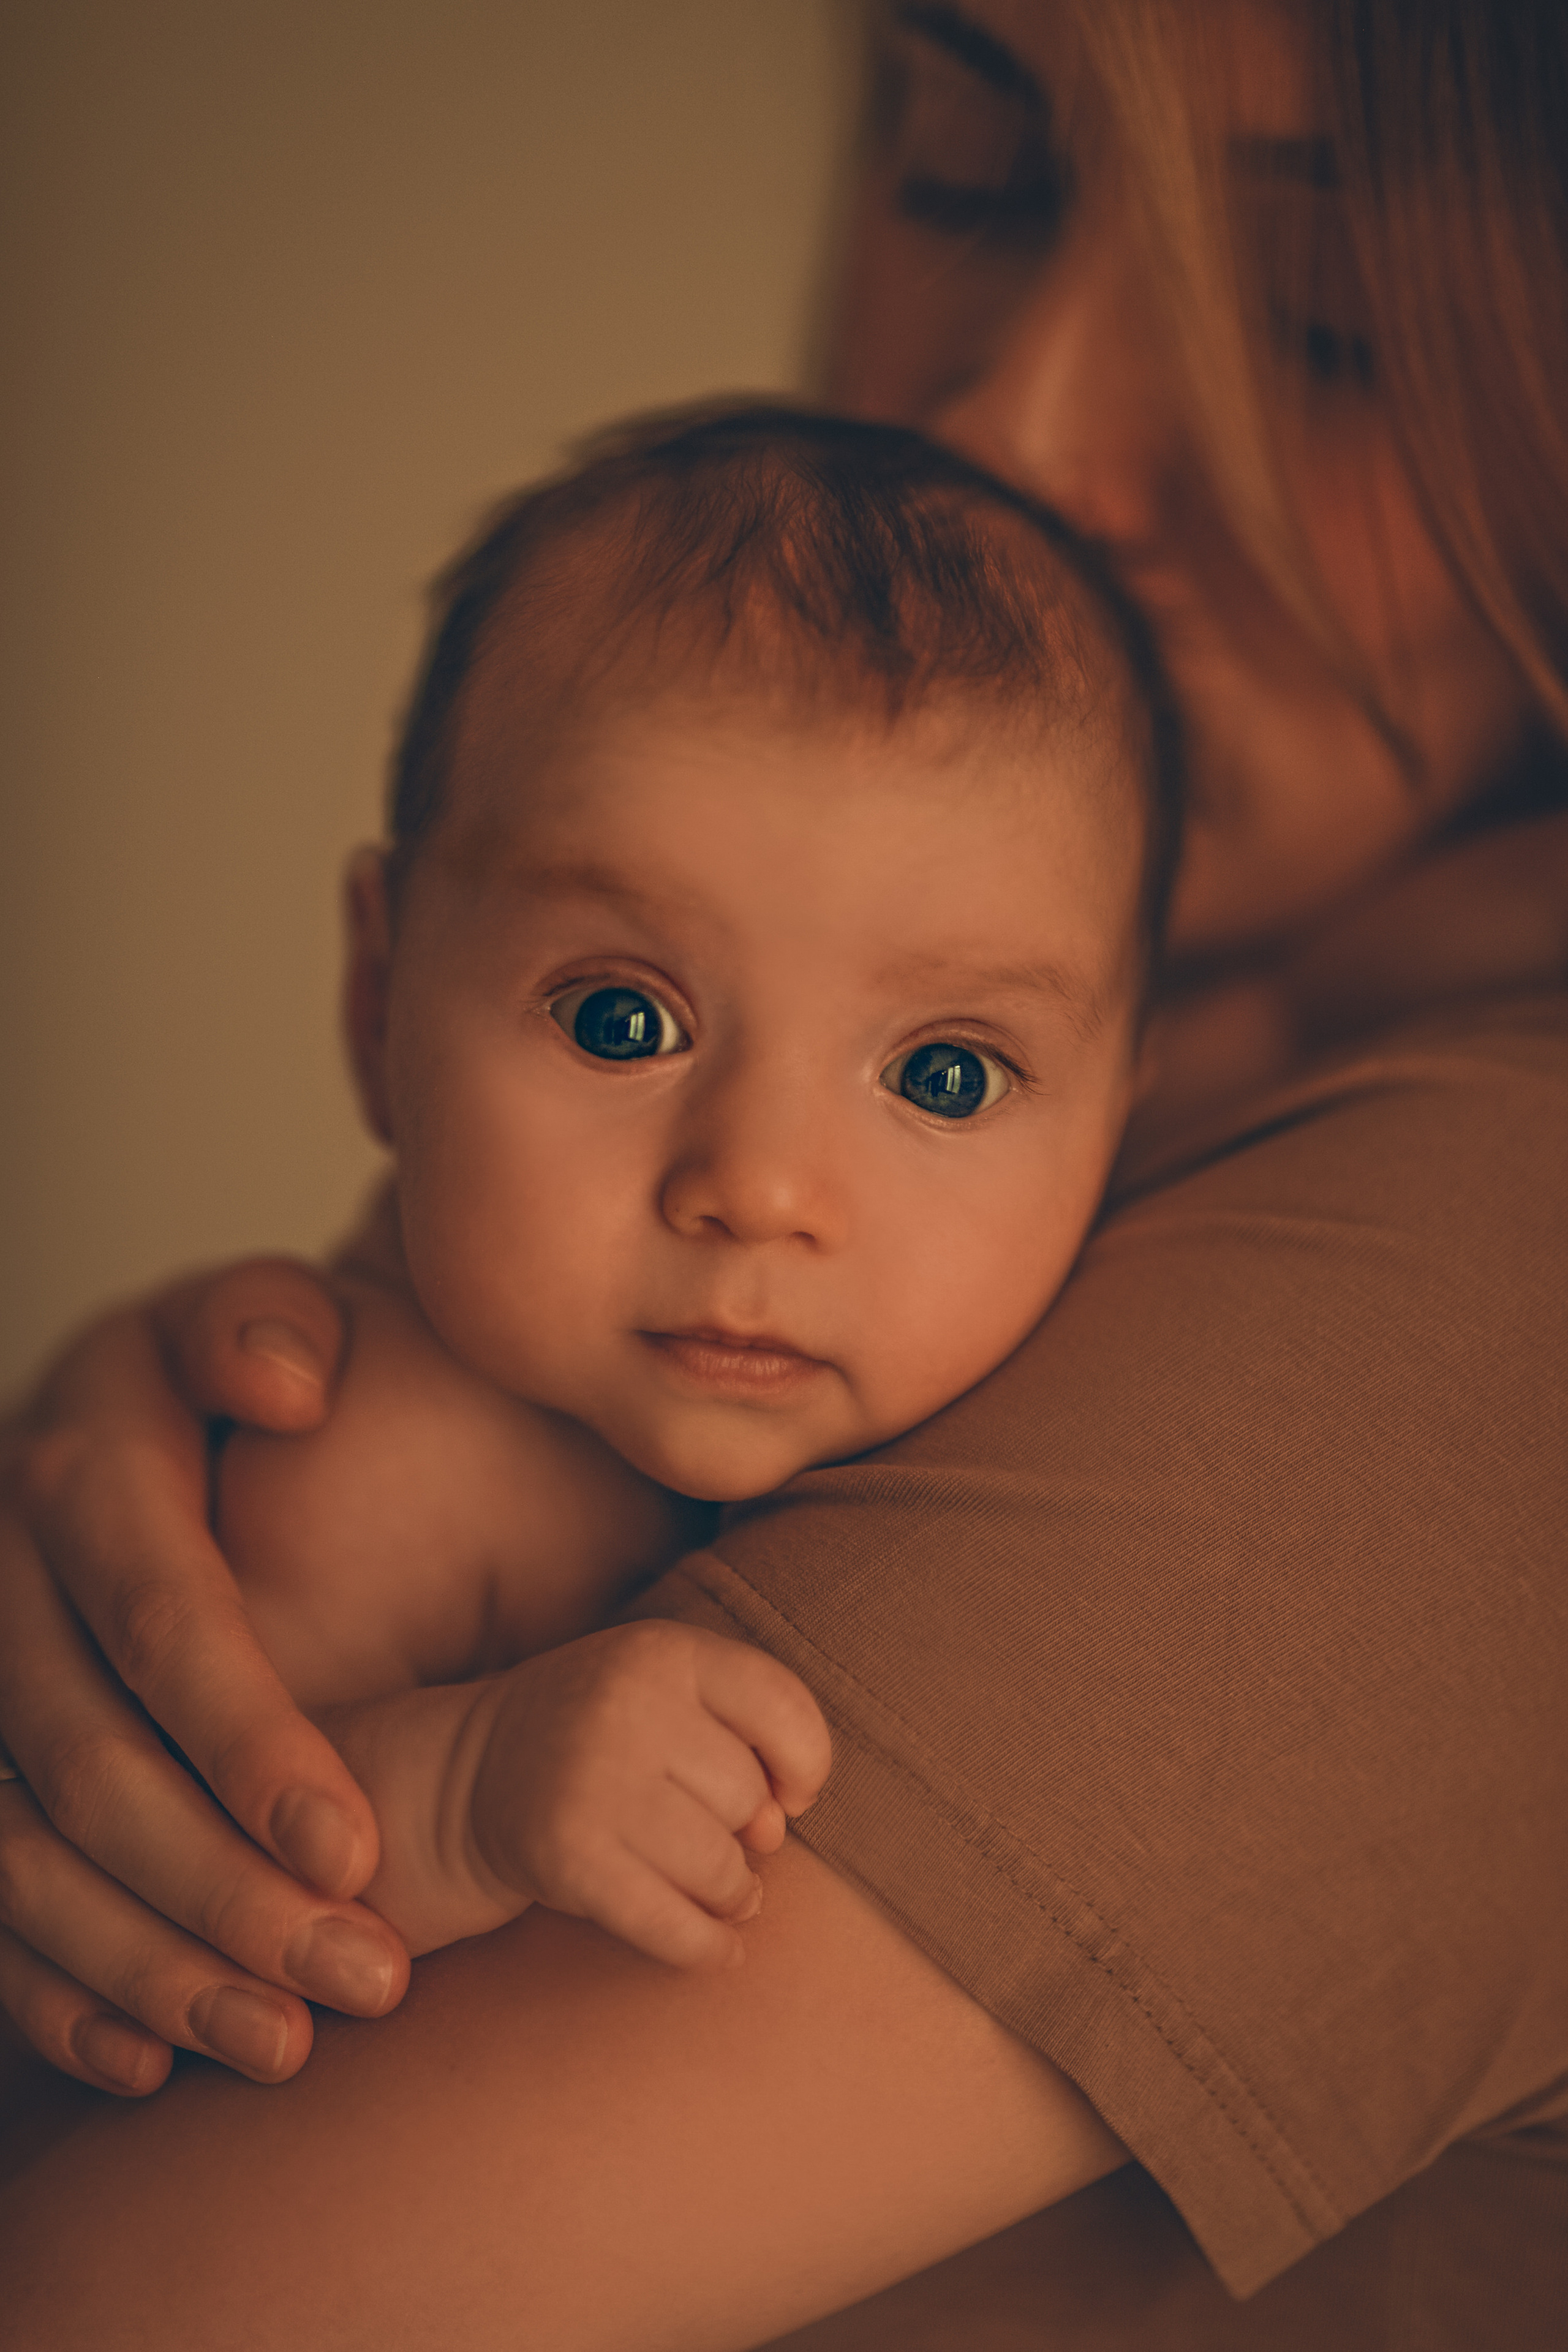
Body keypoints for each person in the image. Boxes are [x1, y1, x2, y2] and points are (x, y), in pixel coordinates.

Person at [1, 2, 1566, 2345]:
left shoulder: (1488, 1259)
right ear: (371, 994)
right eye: (961, 172)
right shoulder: (368, 1435)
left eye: (1325, 332)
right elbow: (187, 1948)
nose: (1011, 437)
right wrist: (434, 1780)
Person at [208, 405, 1182, 1972]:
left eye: (945, 1075)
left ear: (1124, 1118)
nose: (761, 1190)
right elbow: (124, 1893)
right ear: (377, 1001)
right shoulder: (372, 1473)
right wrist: (460, 1792)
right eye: (621, 1020)